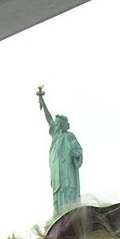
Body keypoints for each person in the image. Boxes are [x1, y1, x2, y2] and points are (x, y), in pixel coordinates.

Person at [37, 86, 83, 215]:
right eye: (55, 123)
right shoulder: (56, 137)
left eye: (58, 123)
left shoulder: (69, 136)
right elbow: (48, 118)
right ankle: (58, 214)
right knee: (57, 191)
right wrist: (41, 100)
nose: (55, 124)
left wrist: (76, 154)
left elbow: (78, 150)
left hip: (66, 170)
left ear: (62, 125)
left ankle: (69, 213)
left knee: (67, 189)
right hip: (56, 171)